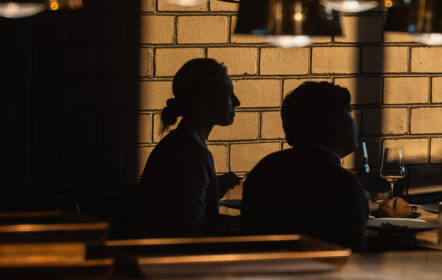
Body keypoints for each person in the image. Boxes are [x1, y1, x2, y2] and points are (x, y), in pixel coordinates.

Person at [241, 81, 368, 252]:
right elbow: (354, 259)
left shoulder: (266, 168)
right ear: (333, 121)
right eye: (349, 114)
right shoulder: (342, 184)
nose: (354, 123)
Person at [137, 58, 241, 238]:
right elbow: (186, 230)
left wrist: (213, 192)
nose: (237, 101)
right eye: (228, 93)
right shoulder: (191, 154)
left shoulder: (179, 145)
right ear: (205, 100)